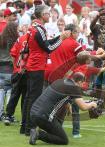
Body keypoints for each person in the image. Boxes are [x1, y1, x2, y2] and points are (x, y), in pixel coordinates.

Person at [22, 5, 70, 136]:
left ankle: (25, 127)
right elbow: (48, 48)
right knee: (34, 98)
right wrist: (62, 39)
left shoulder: (34, 27)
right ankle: (30, 128)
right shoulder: (39, 29)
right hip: (37, 66)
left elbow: (45, 43)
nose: (49, 15)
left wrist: (60, 36)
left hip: (33, 65)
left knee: (29, 97)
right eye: (47, 13)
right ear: (42, 15)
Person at [29, 73, 97, 145]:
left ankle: (37, 133)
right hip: (44, 116)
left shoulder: (60, 81)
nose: (83, 86)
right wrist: (92, 104)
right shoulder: (74, 88)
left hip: (33, 113)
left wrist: (68, 104)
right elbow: (83, 107)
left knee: (56, 132)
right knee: (63, 140)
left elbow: (57, 97)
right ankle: (39, 134)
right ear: (79, 82)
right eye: (83, 83)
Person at [0, 22, 19, 121]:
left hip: (0, 69)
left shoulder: (1, 38)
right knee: (10, 92)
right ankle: (8, 115)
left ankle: (1, 113)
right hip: (10, 69)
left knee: (1, 91)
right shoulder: (14, 40)